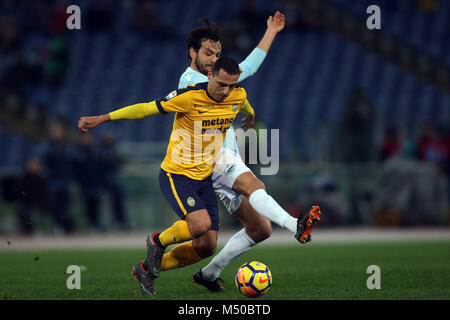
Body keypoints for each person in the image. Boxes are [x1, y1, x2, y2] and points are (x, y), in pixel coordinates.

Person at [78, 58, 317, 296]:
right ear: (211, 75)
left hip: (203, 177)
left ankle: (146, 269)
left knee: (206, 246)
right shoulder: (189, 97)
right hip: (177, 174)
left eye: (231, 85)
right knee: (200, 224)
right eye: (222, 84)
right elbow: (145, 108)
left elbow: (244, 104)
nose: (226, 91)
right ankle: (158, 241)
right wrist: (102, 118)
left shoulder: (237, 95)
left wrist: (251, 116)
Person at [178, 12, 321, 292]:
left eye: (217, 53)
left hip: (222, 159)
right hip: (213, 156)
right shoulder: (189, 83)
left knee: (260, 229)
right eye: (207, 53)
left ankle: (208, 274)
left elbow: (247, 69)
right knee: (255, 184)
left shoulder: (217, 78)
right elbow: (237, 78)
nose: (213, 59)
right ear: (192, 53)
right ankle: (295, 225)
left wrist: (271, 31)